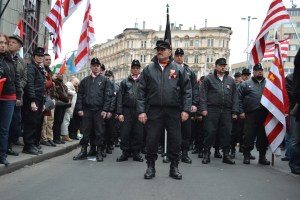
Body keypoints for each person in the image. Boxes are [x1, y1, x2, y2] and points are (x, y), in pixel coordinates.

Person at [137, 40, 192, 180]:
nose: (159, 51)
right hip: (154, 110)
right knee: (152, 139)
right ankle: (150, 167)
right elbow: (141, 91)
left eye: (162, 49)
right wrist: (141, 111)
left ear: (169, 51)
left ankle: (174, 167)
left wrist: (186, 110)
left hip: (173, 111)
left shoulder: (179, 69)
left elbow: (187, 90)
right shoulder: (148, 70)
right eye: (158, 49)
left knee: (175, 140)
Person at [199, 58, 238, 165]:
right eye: (220, 65)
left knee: (227, 133)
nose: (222, 67)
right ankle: (206, 154)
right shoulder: (208, 79)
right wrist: (203, 109)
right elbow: (202, 95)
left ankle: (226, 155)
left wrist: (235, 111)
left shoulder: (230, 80)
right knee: (210, 132)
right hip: (212, 109)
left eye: (224, 65)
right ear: (215, 66)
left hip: (226, 110)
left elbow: (235, 96)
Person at [73, 58, 112, 162]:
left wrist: (105, 109)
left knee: (99, 132)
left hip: (99, 110)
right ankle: (83, 151)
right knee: (85, 132)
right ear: (91, 67)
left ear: (100, 67)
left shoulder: (105, 80)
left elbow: (108, 96)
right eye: (94, 65)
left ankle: (99, 152)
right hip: (87, 110)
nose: (96, 67)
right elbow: (80, 96)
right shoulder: (85, 81)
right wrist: (79, 109)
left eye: (97, 65)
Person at [238, 63, 270, 165]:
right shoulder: (246, 84)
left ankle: (262, 157)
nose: (260, 71)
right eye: (257, 70)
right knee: (249, 136)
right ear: (254, 72)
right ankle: (246, 155)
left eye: (261, 70)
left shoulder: (269, 84)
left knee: (263, 136)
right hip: (250, 114)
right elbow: (238, 99)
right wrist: (241, 111)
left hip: (265, 114)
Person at [173, 48, 199, 164]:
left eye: (181, 55)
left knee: (186, 131)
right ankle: (173, 153)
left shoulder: (189, 71)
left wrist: (194, 103)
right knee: (173, 131)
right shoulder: (171, 70)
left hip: (186, 105)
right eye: (177, 55)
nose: (179, 57)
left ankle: (184, 153)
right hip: (173, 105)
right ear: (174, 56)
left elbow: (194, 89)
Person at [0, 33, 22, 166]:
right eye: (0, 43)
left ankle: (2, 155)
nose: (2, 45)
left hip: (9, 98)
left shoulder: (10, 60)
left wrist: (18, 96)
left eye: (4, 43)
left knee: (4, 129)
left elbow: (17, 80)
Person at [116, 59, 144, 162]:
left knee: (138, 132)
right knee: (125, 132)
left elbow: (147, 97)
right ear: (131, 69)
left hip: (139, 110)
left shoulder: (143, 81)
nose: (135, 70)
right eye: (134, 68)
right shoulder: (124, 82)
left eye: (137, 68)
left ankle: (136, 153)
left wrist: (145, 112)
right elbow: (119, 98)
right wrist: (120, 113)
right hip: (127, 110)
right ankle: (125, 152)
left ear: (139, 69)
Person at [22, 47, 46, 155]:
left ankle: (31, 144)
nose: (40, 58)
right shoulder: (31, 67)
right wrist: (32, 100)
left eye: (42, 56)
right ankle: (28, 146)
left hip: (39, 98)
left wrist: (43, 102)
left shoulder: (40, 69)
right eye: (38, 56)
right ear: (33, 57)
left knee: (35, 122)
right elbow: (30, 84)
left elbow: (42, 87)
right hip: (34, 98)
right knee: (31, 122)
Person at [7, 34, 27, 155]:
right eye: (10, 41)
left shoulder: (22, 62)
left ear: (19, 47)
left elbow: (24, 78)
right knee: (5, 123)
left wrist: (18, 88)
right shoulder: (4, 57)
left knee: (15, 123)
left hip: (17, 96)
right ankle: (4, 148)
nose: (10, 44)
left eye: (14, 42)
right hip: (5, 94)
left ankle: (9, 145)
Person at [40, 53, 56, 147]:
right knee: (45, 121)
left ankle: (50, 138)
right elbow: (44, 84)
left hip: (51, 98)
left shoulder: (49, 71)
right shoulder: (42, 70)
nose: (48, 61)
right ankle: (43, 138)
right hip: (44, 97)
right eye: (46, 59)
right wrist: (52, 82)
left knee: (51, 120)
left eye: (50, 59)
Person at [289, 48, 300, 175]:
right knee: (296, 140)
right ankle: (295, 165)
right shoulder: (291, 78)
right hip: (296, 109)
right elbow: (294, 93)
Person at [60, 76, 79, 142]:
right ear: (73, 80)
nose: (77, 84)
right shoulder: (68, 84)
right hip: (68, 106)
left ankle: (65, 134)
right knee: (66, 121)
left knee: (67, 121)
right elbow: (67, 92)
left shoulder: (73, 86)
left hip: (70, 107)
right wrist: (74, 92)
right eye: (76, 83)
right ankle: (65, 135)